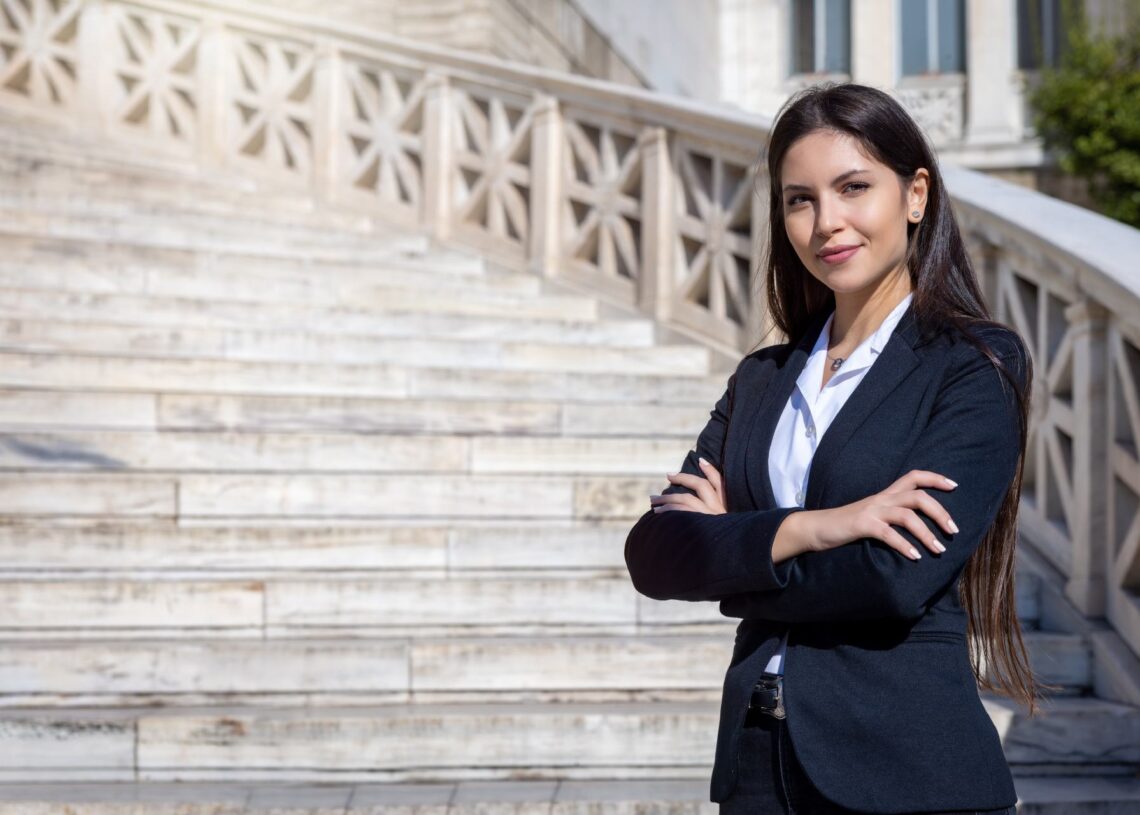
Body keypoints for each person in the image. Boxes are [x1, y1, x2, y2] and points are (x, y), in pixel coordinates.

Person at [624, 82, 1047, 814]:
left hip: (905, 772)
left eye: (853, 188)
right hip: (757, 763)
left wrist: (736, 548)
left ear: (916, 195)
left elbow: (892, 577)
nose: (828, 222)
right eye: (800, 199)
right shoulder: (763, 379)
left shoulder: (974, 364)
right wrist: (819, 526)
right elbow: (655, 554)